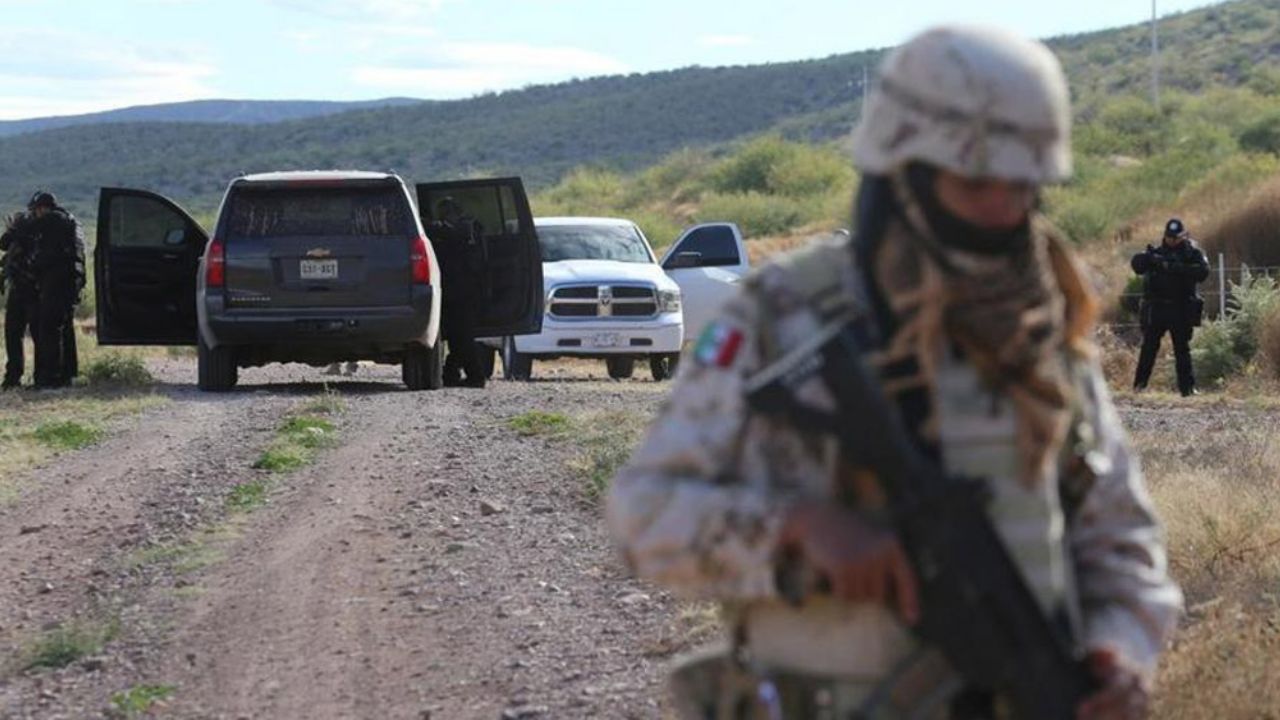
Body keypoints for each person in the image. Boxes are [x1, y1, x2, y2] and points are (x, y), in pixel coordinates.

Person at [608, 25, 1181, 720]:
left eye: (1023, 182)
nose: (1005, 207)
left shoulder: (1039, 328)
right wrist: (795, 529)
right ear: (906, 171)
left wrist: (1121, 649)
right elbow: (643, 516)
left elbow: (1122, 541)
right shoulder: (785, 313)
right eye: (977, 181)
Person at [1130, 218, 1209, 396]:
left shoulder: (1192, 254)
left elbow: (1202, 272)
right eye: (1169, 237)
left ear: (1183, 236)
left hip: (1180, 308)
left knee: (1182, 349)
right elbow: (1137, 266)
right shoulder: (1157, 253)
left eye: (1175, 237)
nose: (1172, 240)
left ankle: (1187, 389)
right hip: (1157, 307)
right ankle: (1139, 386)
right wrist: (1148, 259)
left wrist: (1173, 267)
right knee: (1149, 348)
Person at [27, 190, 84, 389]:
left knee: (49, 328)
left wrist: (33, 266)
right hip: (69, 281)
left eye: (36, 211)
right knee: (64, 329)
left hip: (58, 282)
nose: (35, 215)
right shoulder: (69, 220)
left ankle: (51, 379)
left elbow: (48, 255)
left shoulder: (53, 220)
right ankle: (67, 375)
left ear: (43, 208)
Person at [428, 197, 487, 388]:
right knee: (457, 337)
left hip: (463, 292)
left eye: (446, 212)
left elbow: (451, 235)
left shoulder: (466, 229)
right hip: (457, 291)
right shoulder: (461, 230)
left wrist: (432, 226)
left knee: (463, 336)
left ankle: (475, 376)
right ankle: (451, 373)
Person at [0, 210, 38, 388]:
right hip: (23, 290)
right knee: (14, 334)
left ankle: (16, 376)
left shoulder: (36, 237)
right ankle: (15, 376)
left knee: (20, 334)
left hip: (30, 290)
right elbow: (3, 243)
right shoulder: (19, 239)